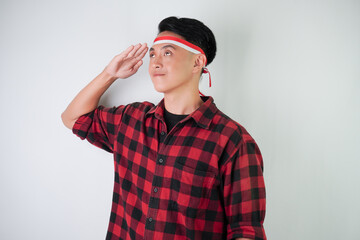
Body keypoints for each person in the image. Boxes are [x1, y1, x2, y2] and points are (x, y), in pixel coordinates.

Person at [61, 16, 266, 240]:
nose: (155, 63)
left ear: (197, 62)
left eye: (167, 53)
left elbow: (245, 231)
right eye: (152, 54)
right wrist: (109, 74)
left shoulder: (232, 141)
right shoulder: (131, 120)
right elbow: (73, 118)